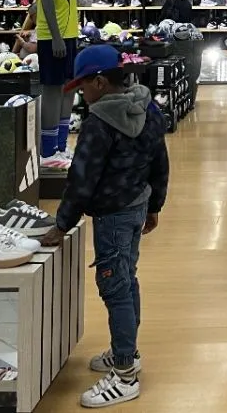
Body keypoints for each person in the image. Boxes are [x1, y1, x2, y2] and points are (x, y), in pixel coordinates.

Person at [39, 45, 169, 409]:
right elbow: (160, 161)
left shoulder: (98, 123)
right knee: (127, 277)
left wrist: (61, 224)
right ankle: (127, 351)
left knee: (115, 287)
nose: (82, 94)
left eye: (83, 86)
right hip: (137, 205)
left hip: (111, 216)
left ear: (99, 82)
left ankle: (125, 374)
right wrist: (155, 205)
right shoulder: (149, 107)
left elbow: (81, 180)